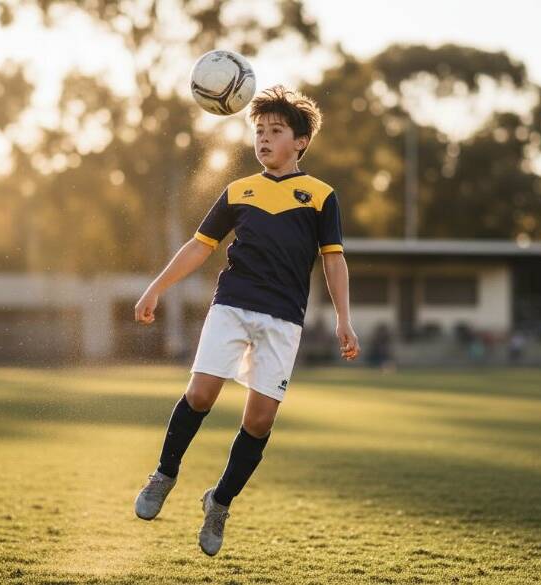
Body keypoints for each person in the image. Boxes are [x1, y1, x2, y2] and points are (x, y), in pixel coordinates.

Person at [132, 85, 360, 556]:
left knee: (258, 422)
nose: (263, 138)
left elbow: (333, 260)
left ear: (300, 142)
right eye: (258, 130)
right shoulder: (239, 191)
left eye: (275, 131)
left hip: (284, 321)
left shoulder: (320, 197)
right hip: (232, 306)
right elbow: (200, 246)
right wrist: (156, 287)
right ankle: (164, 474)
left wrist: (344, 318)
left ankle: (219, 502)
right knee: (200, 392)